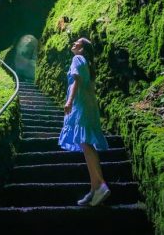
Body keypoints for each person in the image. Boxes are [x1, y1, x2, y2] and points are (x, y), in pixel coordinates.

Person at [59, 37, 110, 206]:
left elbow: (77, 81)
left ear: (82, 49)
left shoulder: (77, 58)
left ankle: (100, 185)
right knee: (87, 144)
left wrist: (69, 101)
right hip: (88, 105)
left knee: (85, 143)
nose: (74, 43)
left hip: (81, 105)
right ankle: (95, 188)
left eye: (78, 42)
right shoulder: (86, 62)